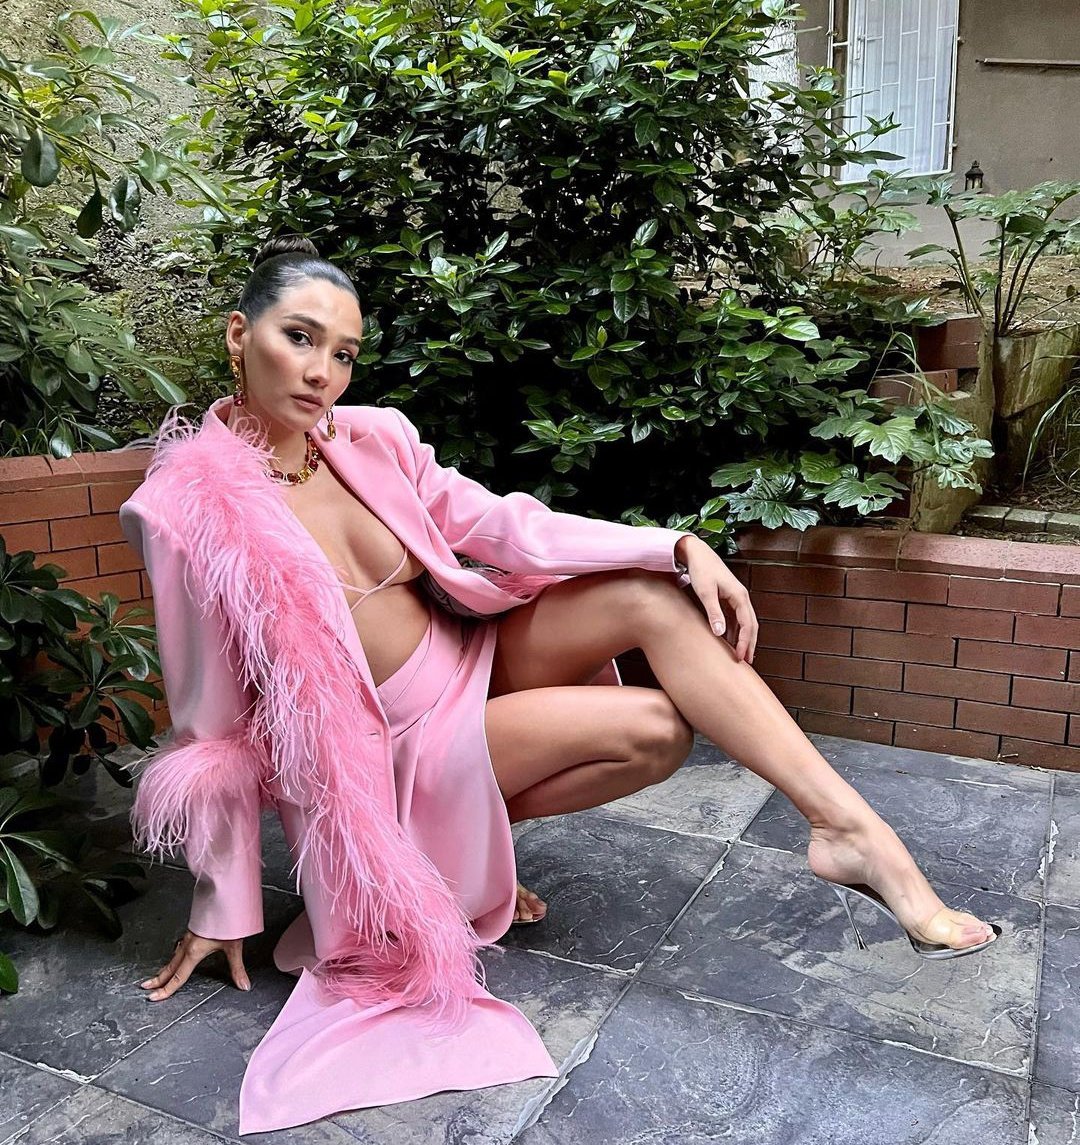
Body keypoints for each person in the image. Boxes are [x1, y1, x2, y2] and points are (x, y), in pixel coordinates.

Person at [119, 236, 999, 1135]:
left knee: (650, 597)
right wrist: (222, 902)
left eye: (343, 353)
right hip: (396, 750)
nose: (322, 373)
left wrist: (676, 544)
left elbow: (506, 525)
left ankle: (849, 829)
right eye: (299, 338)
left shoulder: (370, 436)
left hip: (470, 655)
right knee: (658, 729)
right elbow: (209, 730)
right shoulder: (184, 512)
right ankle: (448, 850)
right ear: (240, 335)